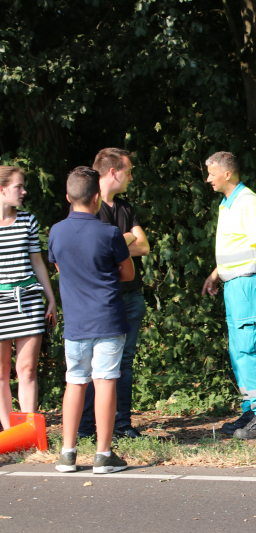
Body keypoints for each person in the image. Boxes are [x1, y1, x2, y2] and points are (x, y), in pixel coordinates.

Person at [48, 167, 133, 473]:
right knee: (106, 381)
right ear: (97, 198)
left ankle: (67, 453)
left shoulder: (56, 231)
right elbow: (128, 273)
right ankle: (103, 454)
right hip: (108, 319)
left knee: (75, 382)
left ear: (68, 197)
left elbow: (58, 266)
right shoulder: (109, 233)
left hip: (76, 323)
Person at [201, 152, 256, 440]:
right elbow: (237, 247)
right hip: (234, 284)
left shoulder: (248, 201)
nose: (208, 179)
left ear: (227, 174)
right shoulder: (228, 204)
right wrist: (215, 274)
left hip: (248, 285)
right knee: (238, 351)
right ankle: (252, 409)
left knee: (249, 347)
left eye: (211, 173)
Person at [77, 148, 150, 439]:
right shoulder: (88, 206)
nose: (131, 177)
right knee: (96, 363)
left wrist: (116, 244)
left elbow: (144, 246)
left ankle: (121, 425)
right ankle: (88, 427)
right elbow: (92, 249)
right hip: (104, 298)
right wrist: (126, 239)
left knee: (126, 362)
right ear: (112, 172)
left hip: (132, 294)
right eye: (128, 171)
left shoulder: (125, 207)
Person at [0, 166, 57, 431]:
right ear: (2, 189)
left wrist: (51, 298)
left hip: (29, 299)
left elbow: (36, 260)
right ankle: (9, 433)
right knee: (1, 373)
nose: (24, 192)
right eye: (18, 187)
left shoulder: (28, 220)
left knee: (27, 369)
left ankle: (29, 432)